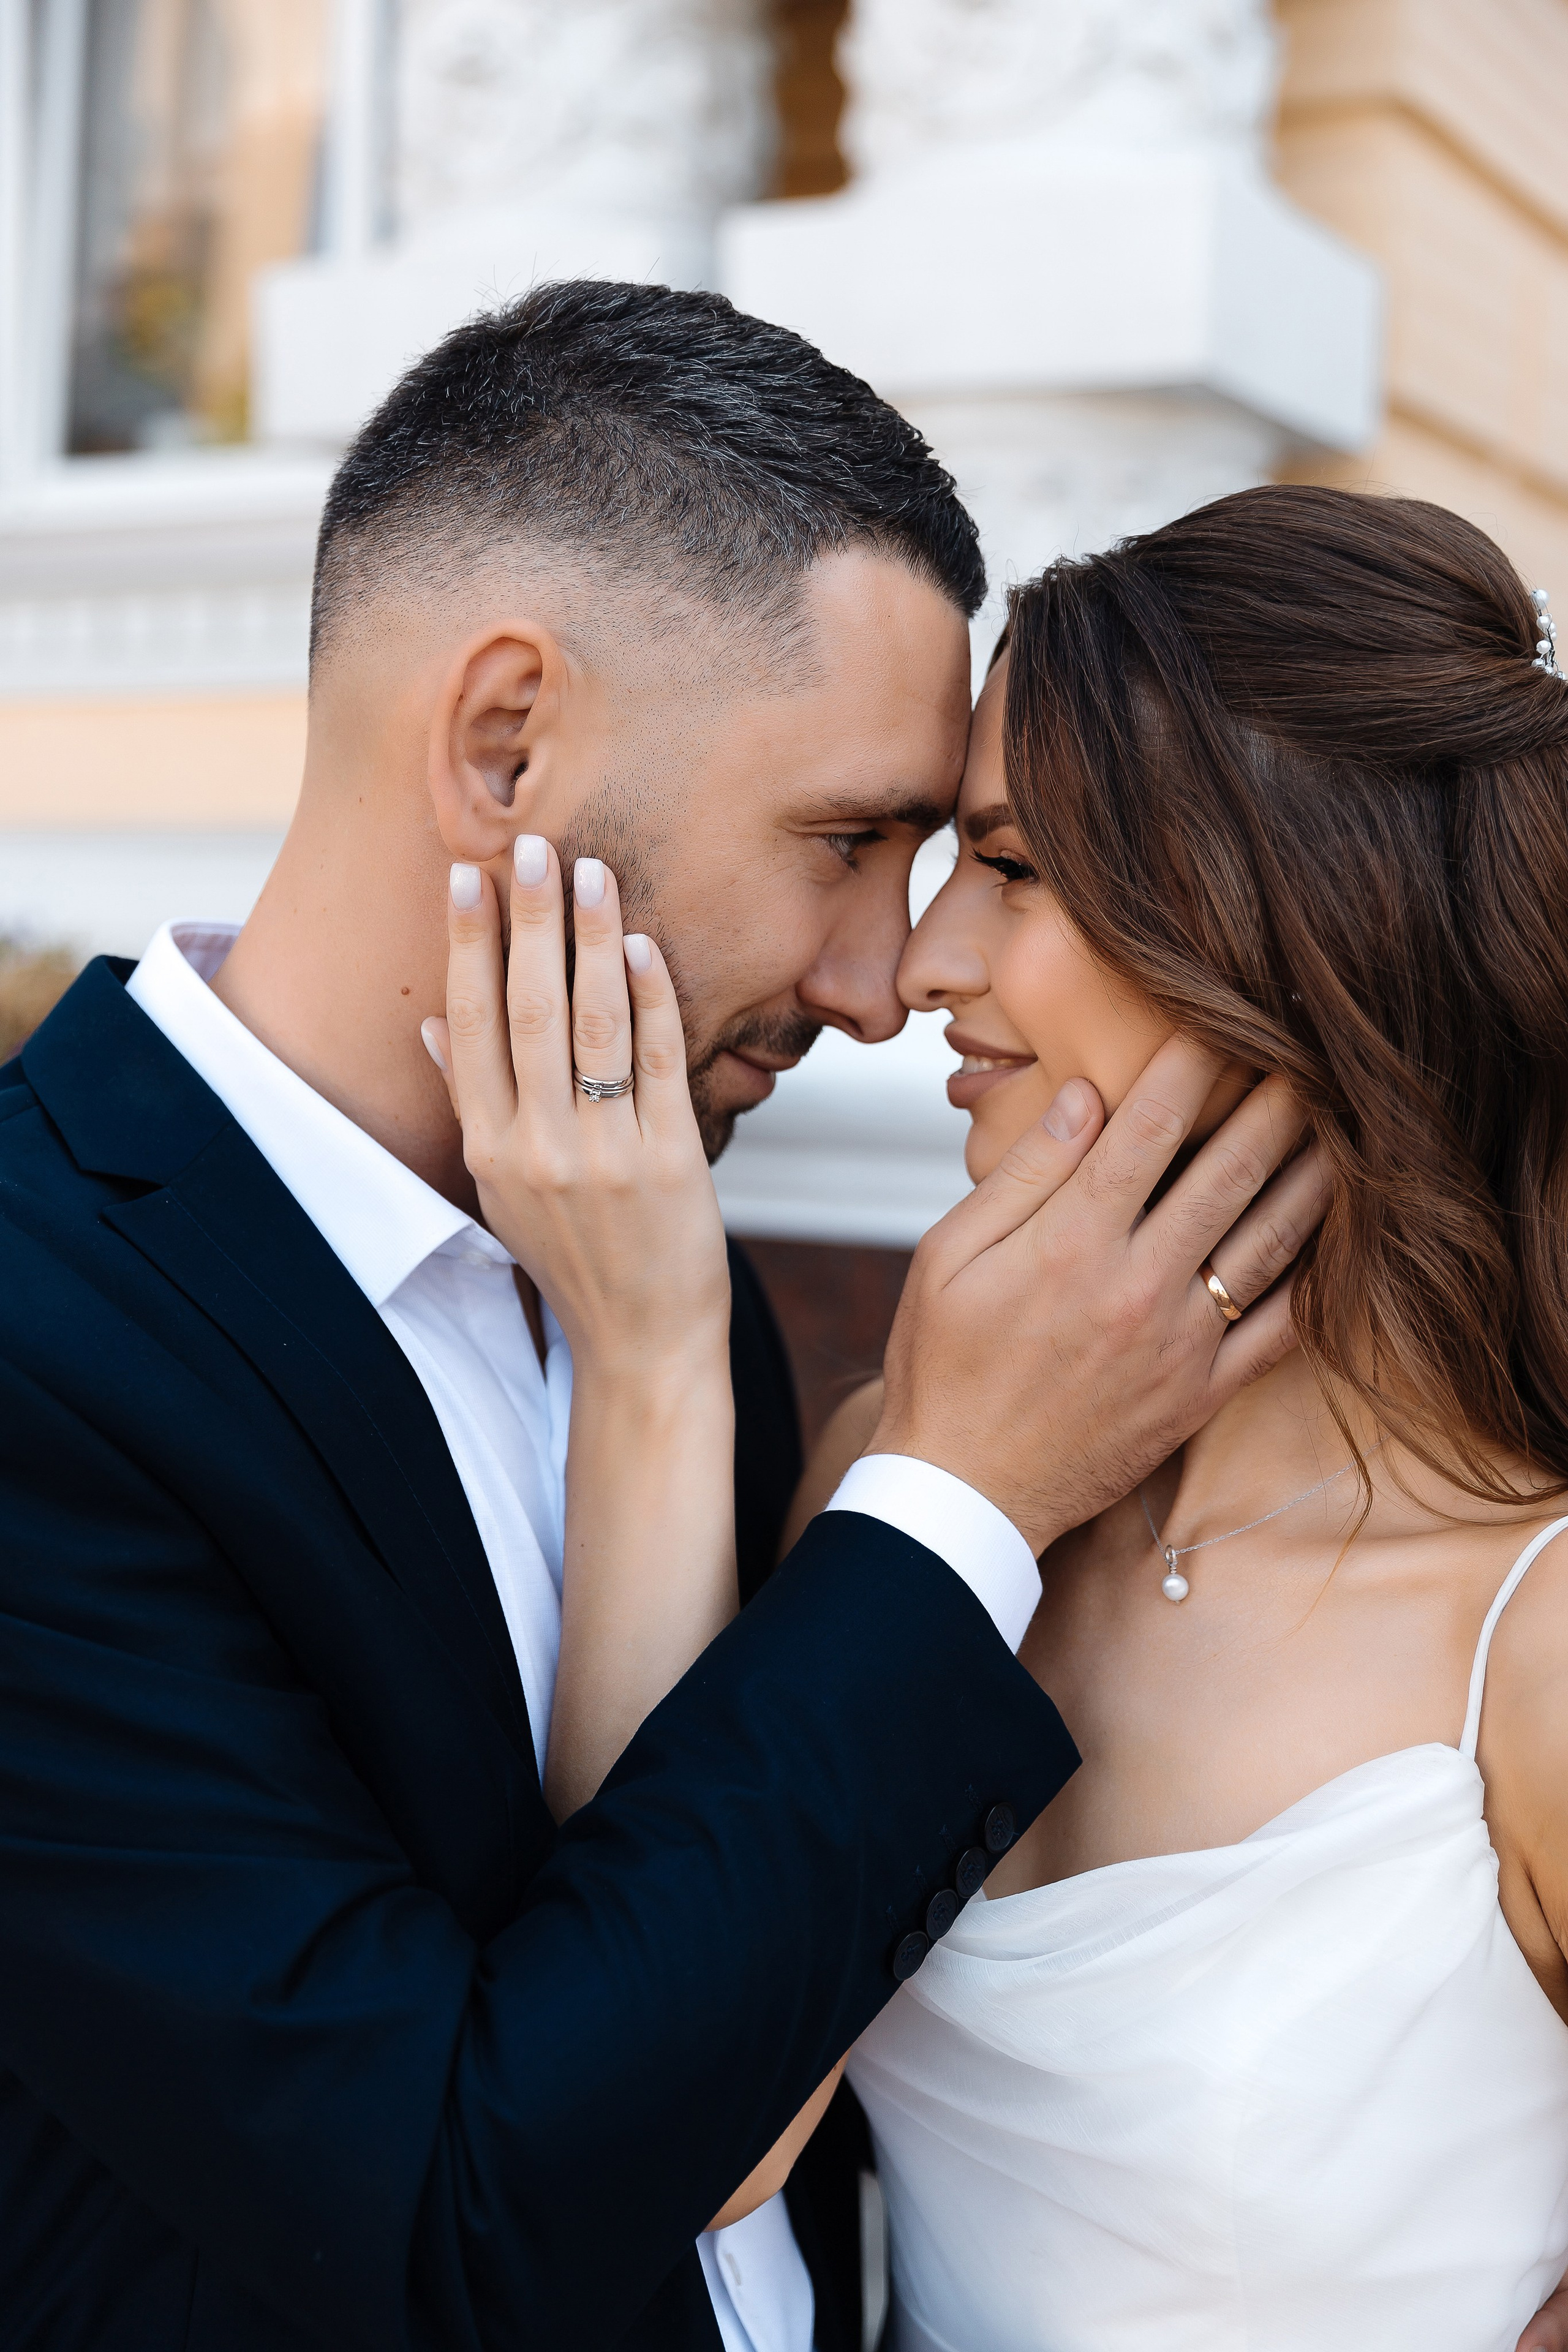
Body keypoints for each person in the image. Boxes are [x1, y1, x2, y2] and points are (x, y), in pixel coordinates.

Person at [0, 283, 1308, 2352]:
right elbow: (454, 2206)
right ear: (504, 742)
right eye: (849, 840)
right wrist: (963, 1496)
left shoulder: (656, 1258)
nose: (888, 981)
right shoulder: (38, 1344)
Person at [524, 481, 1568, 2351]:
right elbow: (671, 2125)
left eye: (1006, 869)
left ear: (1284, 934)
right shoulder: (903, 1481)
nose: (918, 965)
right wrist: (659, 1344)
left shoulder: (1540, 1635)